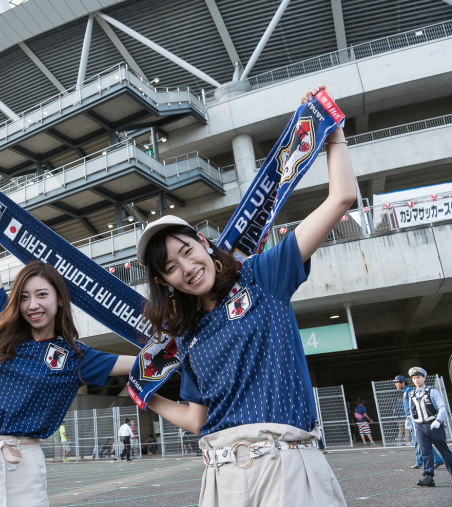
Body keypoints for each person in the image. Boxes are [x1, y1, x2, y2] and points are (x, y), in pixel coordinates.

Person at [137, 86, 352, 505]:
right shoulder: (188, 333)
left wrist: (334, 135)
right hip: (220, 478)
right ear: (165, 282)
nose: (187, 268)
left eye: (187, 251)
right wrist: (151, 398)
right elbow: (198, 418)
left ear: (202, 242)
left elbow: (340, 198)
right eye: (171, 268)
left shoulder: (261, 276)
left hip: (286, 469)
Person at [0, 179, 136, 507]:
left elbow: (139, 364)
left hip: (24, 463)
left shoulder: (74, 356)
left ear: (60, 300)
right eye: (25, 297)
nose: (33, 304)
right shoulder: (1, 324)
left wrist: (185, 349)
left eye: (42, 295)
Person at [408, 367, 452, 487]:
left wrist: (438, 420)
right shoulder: (411, 394)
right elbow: (412, 413)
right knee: (425, 453)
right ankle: (428, 477)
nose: (416, 380)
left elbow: (441, 407)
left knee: (444, 451)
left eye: (418, 377)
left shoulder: (432, 391)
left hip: (434, 426)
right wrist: (414, 428)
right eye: (413, 378)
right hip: (420, 427)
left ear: (424, 378)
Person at [394, 375, 443, 470]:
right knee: (418, 441)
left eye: (397, 382)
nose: (395, 384)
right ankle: (424, 461)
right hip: (411, 418)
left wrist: (410, 416)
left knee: (420, 441)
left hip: (414, 419)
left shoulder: (409, 391)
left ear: (403, 382)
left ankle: (432, 460)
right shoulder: (405, 391)